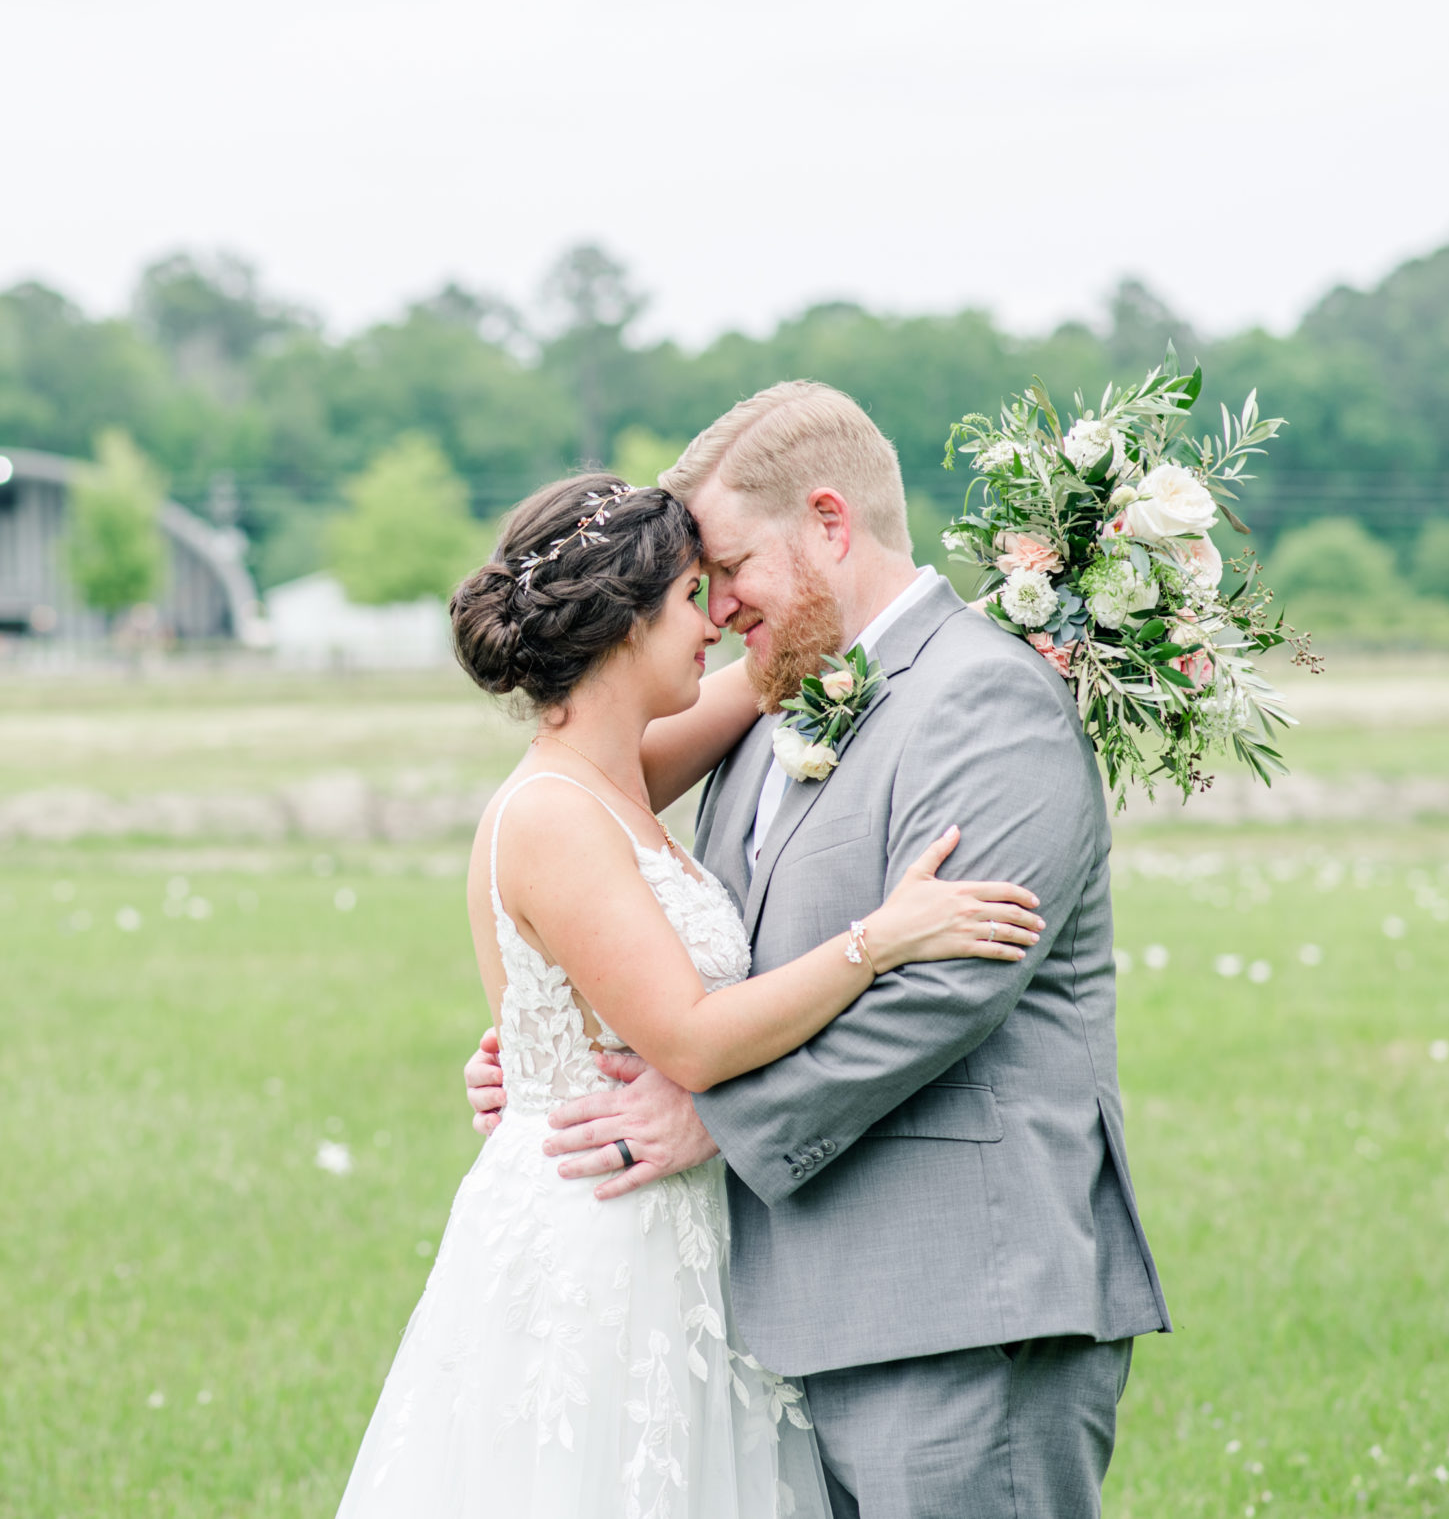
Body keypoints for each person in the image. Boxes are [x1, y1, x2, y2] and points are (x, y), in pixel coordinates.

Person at [464, 382, 1169, 1517]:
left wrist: (711, 1112)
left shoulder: (986, 696)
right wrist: (557, 1050)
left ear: (830, 524)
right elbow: (583, 834)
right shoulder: (774, 706)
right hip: (790, 1309)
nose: (717, 606)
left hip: (958, 1301)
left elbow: (947, 987)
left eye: (729, 567)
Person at [333, 472, 1047, 1518]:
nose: (715, 619)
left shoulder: (616, 769)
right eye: (688, 598)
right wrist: (879, 940)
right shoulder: (552, 814)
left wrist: (1022, 607)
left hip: (673, 1223)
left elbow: (775, 677)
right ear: (622, 625)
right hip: (604, 1241)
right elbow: (696, 1041)